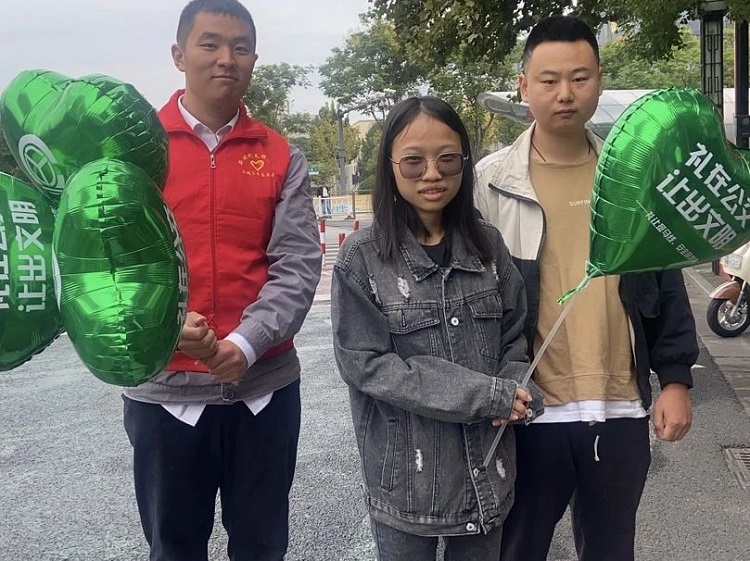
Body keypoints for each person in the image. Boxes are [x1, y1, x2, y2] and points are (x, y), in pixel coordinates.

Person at [474, 15, 699, 561]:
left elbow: (664, 281)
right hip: (529, 412)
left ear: (599, 80)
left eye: (579, 78)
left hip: (618, 408)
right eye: (549, 80)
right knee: (516, 548)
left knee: (610, 547)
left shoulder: (633, 178)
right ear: (524, 86)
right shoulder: (489, 183)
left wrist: (675, 379)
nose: (565, 94)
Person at [121, 1, 322, 559]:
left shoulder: (280, 155)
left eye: (241, 48)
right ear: (179, 54)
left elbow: (298, 263)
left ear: (254, 59)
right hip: (166, 395)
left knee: (262, 546)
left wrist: (246, 342)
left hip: (263, 391)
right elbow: (114, 262)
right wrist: (163, 323)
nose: (225, 59)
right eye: (209, 44)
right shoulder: (136, 153)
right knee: (174, 547)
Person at [331, 95, 545, 561]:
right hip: (406, 484)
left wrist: (516, 389)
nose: (432, 173)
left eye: (447, 159)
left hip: (487, 473)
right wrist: (485, 395)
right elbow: (368, 366)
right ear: (390, 166)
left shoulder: (488, 247)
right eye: (414, 161)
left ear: (464, 162)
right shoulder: (362, 260)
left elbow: (514, 337)